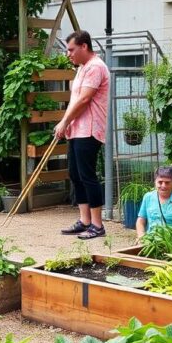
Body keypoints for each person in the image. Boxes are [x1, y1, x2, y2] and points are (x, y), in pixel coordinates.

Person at [54, 30, 110, 240]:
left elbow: (85, 100)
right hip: (77, 129)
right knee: (75, 174)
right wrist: (66, 123)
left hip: (90, 129)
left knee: (87, 175)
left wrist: (65, 121)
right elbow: (74, 98)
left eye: (71, 49)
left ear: (84, 46)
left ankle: (97, 225)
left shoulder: (95, 67)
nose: (68, 54)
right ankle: (85, 220)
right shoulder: (82, 68)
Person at [136, 166, 172, 238]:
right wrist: (141, 235)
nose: (163, 186)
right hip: (150, 242)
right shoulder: (148, 197)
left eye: (167, 182)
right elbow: (141, 220)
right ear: (155, 182)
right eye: (160, 182)